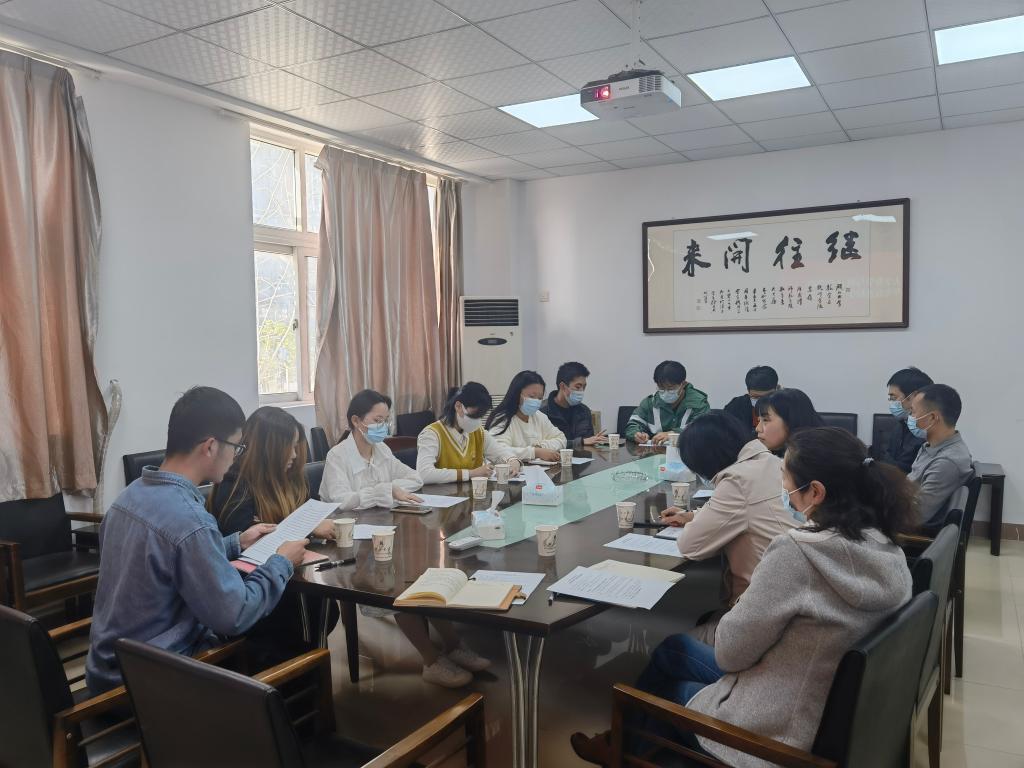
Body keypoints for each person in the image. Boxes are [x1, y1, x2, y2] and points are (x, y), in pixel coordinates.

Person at [571, 427, 915, 766]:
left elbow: (731, 654)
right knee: (675, 649)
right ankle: (628, 747)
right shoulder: (887, 547)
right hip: (819, 705)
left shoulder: (798, 552)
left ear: (816, 492)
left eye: (786, 481)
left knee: (660, 690)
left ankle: (626, 752)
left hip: (771, 730)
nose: (782, 490)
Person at [86, 387, 307, 693]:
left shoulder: (126, 499)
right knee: (279, 633)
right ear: (211, 447)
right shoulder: (190, 520)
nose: (236, 457)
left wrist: (234, 543)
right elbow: (236, 614)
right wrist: (282, 562)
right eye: (237, 447)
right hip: (155, 680)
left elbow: (167, 556)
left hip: (108, 670)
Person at [209, 406, 337, 663]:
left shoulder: (290, 477)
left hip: (290, 578)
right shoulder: (235, 484)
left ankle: (310, 673)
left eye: (296, 446)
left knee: (322, 606)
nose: (294, 455)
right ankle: (305, 675)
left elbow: (306, 510)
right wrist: (308, 527)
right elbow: (250, 544)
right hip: (256, 591)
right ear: (269, 449)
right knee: (312, 609)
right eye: (289, 447)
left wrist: (308, 523)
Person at [658, 412, 798, 643]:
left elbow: (690, 546)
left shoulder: (737, 480)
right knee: (707, 619)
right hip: (793, 601)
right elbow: (749, 510)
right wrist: (694, 515)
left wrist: (699, 520)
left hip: (764, 617)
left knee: (671, 647)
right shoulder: (773, 462)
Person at [319, 390, 424, 509]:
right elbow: (341, 501)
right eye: (378, 420)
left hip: (379, 516)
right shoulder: (336, 456)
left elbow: (415, 478)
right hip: (344, 519)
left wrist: (392, 489)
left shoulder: (382, 449)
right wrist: (385, 491)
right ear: (356, 421)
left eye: (385, 421)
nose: (383, 426)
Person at [416, 382, 523, 485]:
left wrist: (513, 462)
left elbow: (501, 454)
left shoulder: (478, 433)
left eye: (481, 416)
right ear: (458, 406)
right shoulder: (432, 434)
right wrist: (471, 474)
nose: (478, 421)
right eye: (475, 415)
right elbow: (424, 474)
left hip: (473, 493)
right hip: (441, 494)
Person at [907, 383, 973, 529]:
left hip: (906, 531)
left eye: (912, 412)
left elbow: (914, 516)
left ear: (932, 418)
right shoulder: (931, 446)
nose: (909, 418)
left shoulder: (947, 462)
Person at [486, 370, 567, 461]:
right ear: (517, 395)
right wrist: (535, 452)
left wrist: (541, 447)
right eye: (532, 396)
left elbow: (561, 439)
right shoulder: (502, 419)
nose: (536, 401)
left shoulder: (539, 416)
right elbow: (497, 451)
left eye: (540, 398)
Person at [625, 360, 710, 445]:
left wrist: (673, 434)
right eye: (661, 388)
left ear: (683, 384)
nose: (666, 392)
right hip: (655, 451)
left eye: (670, 388)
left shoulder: (699, 403)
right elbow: (633, 425)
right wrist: (636, 434)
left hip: (688, 451)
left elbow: (702, 431)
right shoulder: (650, 402)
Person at [541, 361, 605, 448]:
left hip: (583, 455)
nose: (581, 391)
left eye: (584, 387)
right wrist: (580, 442)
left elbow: (589, 442)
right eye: (578, 387)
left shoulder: (584, 411)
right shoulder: (542, 411)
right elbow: (542, 445)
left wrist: (596, 440)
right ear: (563, 386)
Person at [883, 366, 933, 473]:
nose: (891, 403)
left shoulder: (926, 434)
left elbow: (907, 471)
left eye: (894, 398)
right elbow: (887, 456)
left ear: (915, 397)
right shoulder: (901, 424)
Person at [755, 387, 824, 454]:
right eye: (759, 420)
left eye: (765, 420)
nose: (758, 429)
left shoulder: (815, 457)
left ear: (791, 421)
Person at [723, 365, 779, 438]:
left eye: (767, 396)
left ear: (776, 389)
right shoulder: (735, 407)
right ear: (748, 391)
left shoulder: (786, 406)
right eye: (756, 397)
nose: (761, 401)